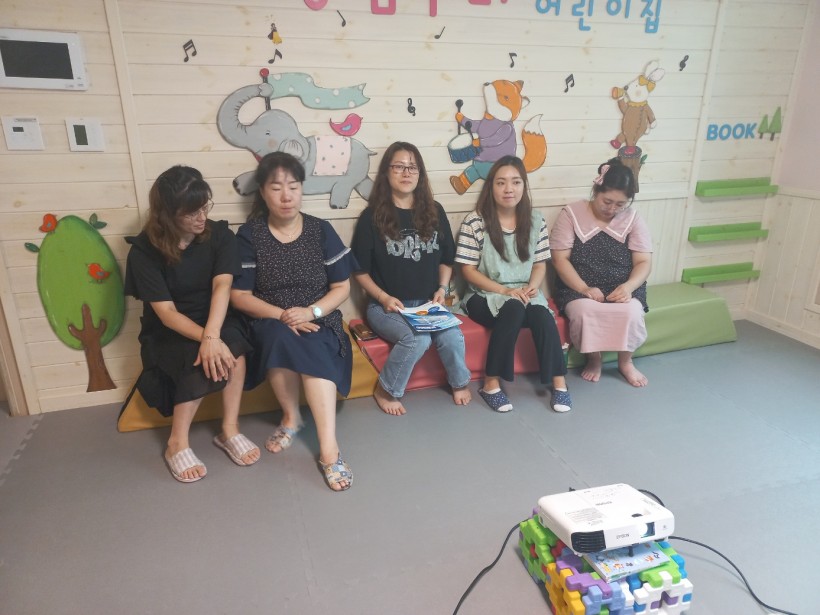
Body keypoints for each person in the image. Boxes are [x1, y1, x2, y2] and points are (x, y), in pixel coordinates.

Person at [125, 165, 260, 484]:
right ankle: (177, 443)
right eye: (191, 213)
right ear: (168, 215)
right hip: (170, 327)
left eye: (205, 207)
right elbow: (167, 313)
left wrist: (212, 336)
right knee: (195, 359)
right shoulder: (144, 251)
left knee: (235, 348)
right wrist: (207, 341)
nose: (202, 217)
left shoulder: (220, 235)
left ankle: (229, 429)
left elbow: (222, 286)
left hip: (215, 315)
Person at [230, 152, 356, 492]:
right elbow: (239, 296)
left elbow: (342, 287)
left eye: (293, 187)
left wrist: (311, 312)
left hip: (318, 318)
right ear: (263, 193)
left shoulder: (320, 230)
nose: (286, 196)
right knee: (278, 335)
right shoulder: (250, 235)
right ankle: (291, 417)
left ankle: (329, 450)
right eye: (276, 188)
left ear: (302, 189)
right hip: (269, 320)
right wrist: (284, 315)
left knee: (314, 341)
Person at [351, 141, 472, 416]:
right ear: (387, 172)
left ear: (420, 174)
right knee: (418, 339)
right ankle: (386, 390)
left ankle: (459, 382)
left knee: (452, 336)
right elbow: (359, 270)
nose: (406, 173)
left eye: (412, 167)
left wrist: (442, 288)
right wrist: (383, 297)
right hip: (385, 307)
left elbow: (446, 259)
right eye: (399, 166)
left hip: (428, 305)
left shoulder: (434, 210)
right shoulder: (372, 217)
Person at [455, 156, 571, 413]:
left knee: (542, 314)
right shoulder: (475, 221)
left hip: (523, 291)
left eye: (516, 182)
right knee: (513, 308)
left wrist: (532, 286)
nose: (509, 189)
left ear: (524, 186)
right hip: (483, 295)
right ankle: (491, 384)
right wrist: (505, 291)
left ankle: (560, 384)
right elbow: (467, 271)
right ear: (491, 187)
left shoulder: (536, 220)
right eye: (501, 183)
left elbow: (540, 264)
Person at [551, 158, 653, 387]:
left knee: (631, 313)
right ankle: (594, 359)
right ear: (596, 190)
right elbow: (559, 259)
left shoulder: (633, 219)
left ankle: (625, 362)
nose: (612, 209)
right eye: (607, 201)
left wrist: (628, 287)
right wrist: (584, 288)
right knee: (585, 312)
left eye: (620, 204)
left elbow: (644, 262)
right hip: (578, 286)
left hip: (623, 285)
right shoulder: (572, 213)